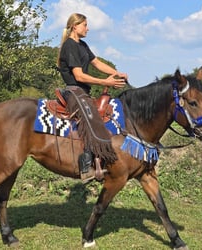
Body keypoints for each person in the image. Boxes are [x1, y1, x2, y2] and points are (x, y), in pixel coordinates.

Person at [57, 13, 128, 181]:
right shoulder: (69, 46)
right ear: (75, 26)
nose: (87, 28)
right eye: (85, 25)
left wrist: (116, 73)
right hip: (74, 91)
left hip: (83, 92)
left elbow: (97, 63)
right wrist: (106, 82)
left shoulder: (82, 45)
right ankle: (86, 166)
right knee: (92, 119)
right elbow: (79, 76)